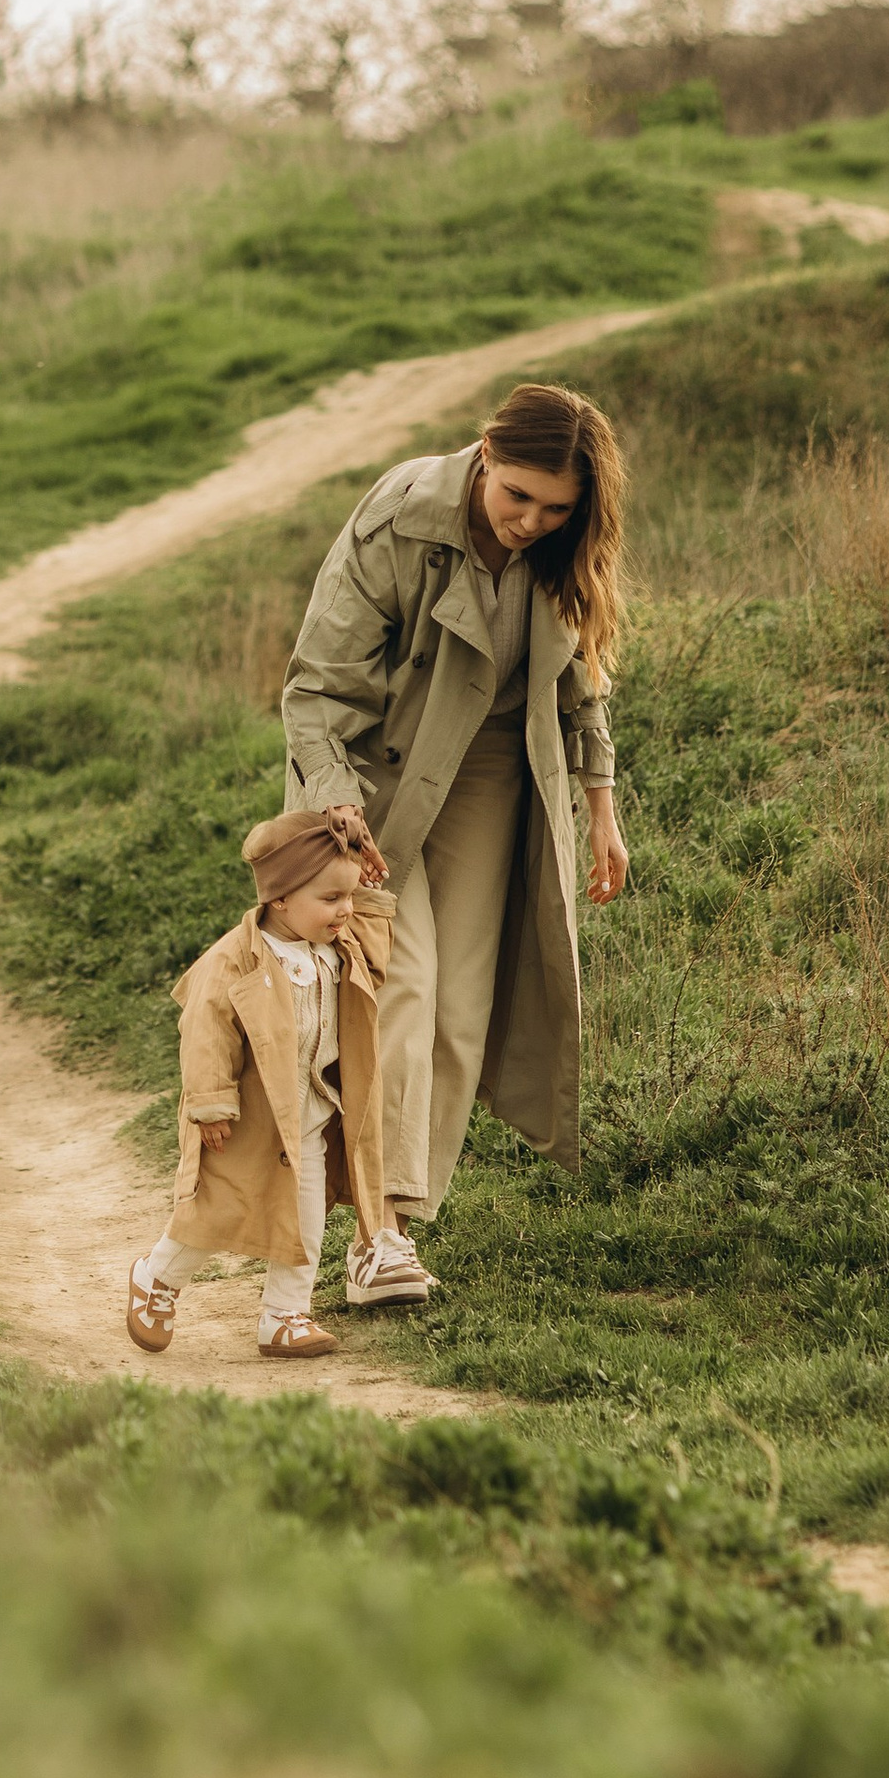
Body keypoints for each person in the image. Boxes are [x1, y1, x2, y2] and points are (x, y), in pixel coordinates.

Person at [277, 379, 628, 1304]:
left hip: (493, 775)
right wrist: (333, 810)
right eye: (517, 494)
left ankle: (387, 1218)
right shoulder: (399, 520)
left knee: (461, 1007)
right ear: (484, 454)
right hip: (379, 777)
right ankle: (376, 1237)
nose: (531, 521)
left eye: (556, 508)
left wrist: (601, 800)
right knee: (402, 979)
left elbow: (578, 676)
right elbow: (316, 690)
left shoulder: (565, 544)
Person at [126, 803, 393, 1364]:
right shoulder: (236, 960)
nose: (345, 911)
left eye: (349, 898)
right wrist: (210, 1103)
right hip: (246, 1119)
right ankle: (155, 1278)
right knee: (215, 1212)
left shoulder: (338, 946)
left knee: (306, 1221)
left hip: (310, 1115)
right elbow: (204, 1031)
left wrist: (362, 874)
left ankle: (284, 1316)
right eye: (331, 899)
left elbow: (377, 940)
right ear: (279, 898)